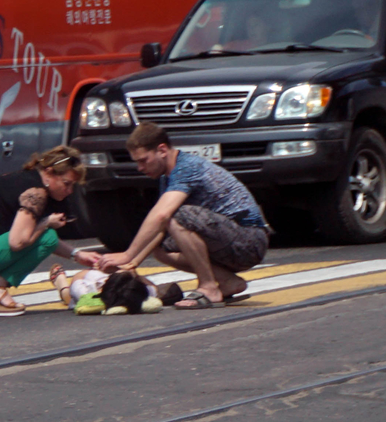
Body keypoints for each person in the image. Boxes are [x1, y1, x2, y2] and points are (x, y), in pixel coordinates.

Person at [99, 122, 270, 308]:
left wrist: (127, 253)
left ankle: (208, 287)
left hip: (248, 240)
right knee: (161, 247)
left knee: (176, 216)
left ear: (162, 150)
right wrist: (132, 264)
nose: (139, 167)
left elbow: (162, 215)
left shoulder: (186, 167)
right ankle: (228, 282)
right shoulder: (168, 177)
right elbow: (160, 229)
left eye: (143, 160)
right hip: (226, 240)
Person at [0, 145, 103, 315]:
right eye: (66, 184)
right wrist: (46, 223)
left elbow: (34, 240)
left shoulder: (26, 180)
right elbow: (18, 242)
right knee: (47, 234)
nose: (69, 191)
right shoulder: (36, 192)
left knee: (45, 235)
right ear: (49, 173)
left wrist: (76, 255)